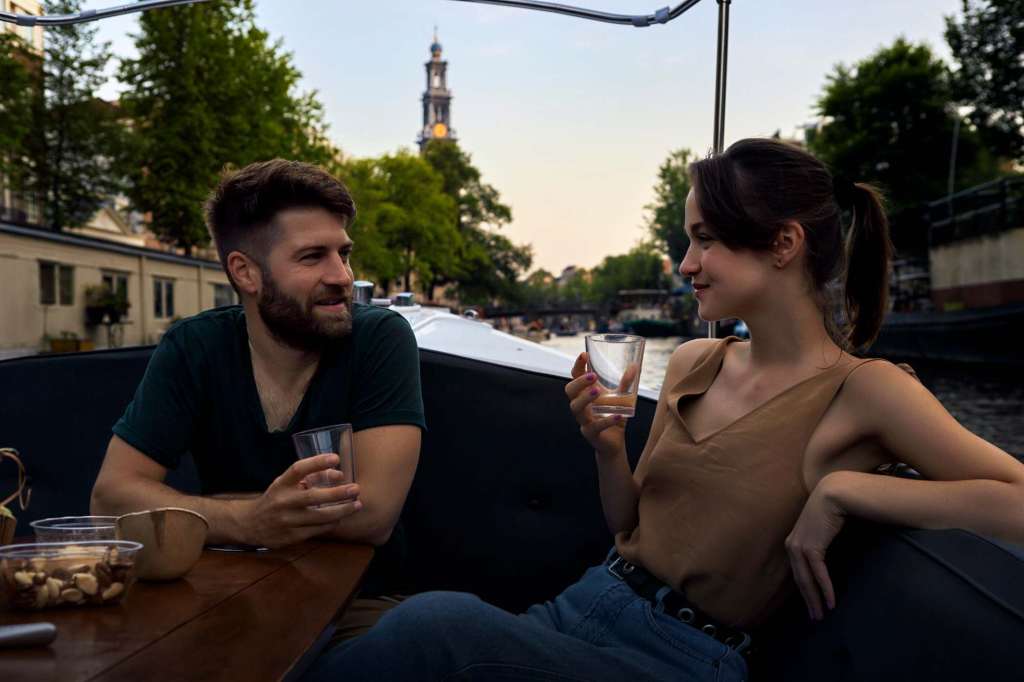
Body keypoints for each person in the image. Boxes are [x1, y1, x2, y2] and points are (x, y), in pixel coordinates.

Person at [305, 138, 1024, 682]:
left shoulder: (866, 390)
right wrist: (606, 445)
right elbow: (628, 525)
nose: (685, 264)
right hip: (585, 603)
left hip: (680, 658)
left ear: (783, 245)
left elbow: (1016, 500)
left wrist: (846, 490)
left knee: (436, 624)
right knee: (363, 636)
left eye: (705, 239)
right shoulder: (693, 361)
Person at [90, 159, 426, 638]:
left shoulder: (380, 339)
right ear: (245, 273)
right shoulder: (194, 348)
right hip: (222, 600)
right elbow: (108, 500)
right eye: (313, 257)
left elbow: (371, 515)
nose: (343, 276)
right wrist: (249, 521)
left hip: (359, 607)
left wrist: (207, 510)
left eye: (344, 253)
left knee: (434, 628)